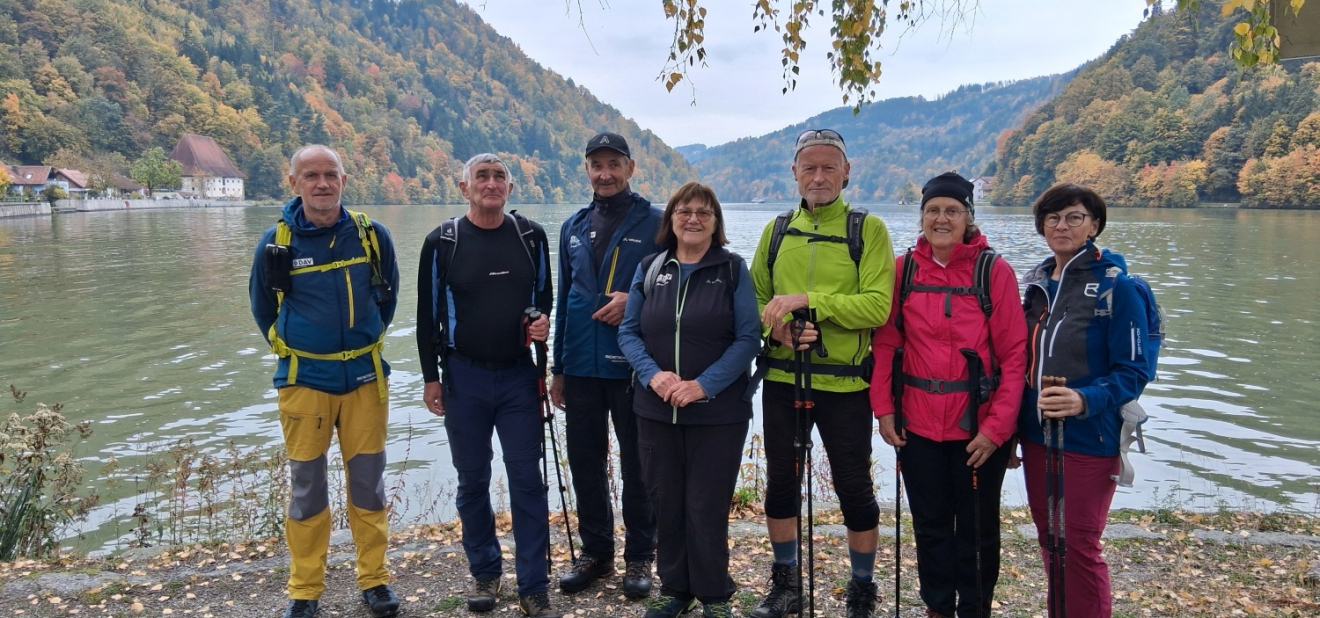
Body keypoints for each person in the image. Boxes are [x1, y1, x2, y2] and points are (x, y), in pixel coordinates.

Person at [249, 145, 401, 618]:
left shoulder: (371, 236)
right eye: (310, 175)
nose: (321, 183)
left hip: (364, 379)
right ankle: (305, 589)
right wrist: (300, 349)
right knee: (307, 489)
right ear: (292, 182)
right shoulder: (276, 243)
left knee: (369, 487)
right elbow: (263, 310)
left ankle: (374, 581)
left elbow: (387, 299)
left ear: (343, 179)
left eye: (330, 174)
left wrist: (361, 342)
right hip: (304, 381)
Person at [748, 129, 894, 618]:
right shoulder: (775, 231)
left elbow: (877, 306)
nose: (818, 176)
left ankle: (862, 586)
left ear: (846, 172)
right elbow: (753, 302)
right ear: (793, 173)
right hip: (784, 379)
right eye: (808, 167)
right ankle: (786, 582)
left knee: (854, 485)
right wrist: (780, 332)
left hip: (846, 384)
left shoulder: (866, 229)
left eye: (829, 167)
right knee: (781, 485)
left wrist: (810, 302)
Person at [869, 172, 1027, 618]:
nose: (942, 218)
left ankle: (974, 609)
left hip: (977, 427)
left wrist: (997, 430)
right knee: (931, 525)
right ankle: (938, 607)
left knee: (977, 529)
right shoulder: (903, 271)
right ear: (921, 217)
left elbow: (1015, 358)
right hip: (916, 424)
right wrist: (883, 410)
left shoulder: (992, 270)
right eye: (933, 210)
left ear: (968, 217)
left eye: (952, 211)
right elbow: (885, 345)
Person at [415, 154, 560, 618]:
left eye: (499, 177)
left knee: (527, 480)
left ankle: (533, 584)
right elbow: (426, 316)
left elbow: (544, 298)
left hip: (520, 375)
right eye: (482, 176)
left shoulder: (530, 236)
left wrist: (541, 324)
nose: (491, 183)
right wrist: (431, 378)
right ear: (464, 187)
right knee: (472, 479)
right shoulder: (443, 241)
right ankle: (485, 572)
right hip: (464, 377)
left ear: (511, 189)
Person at [617, 182, 761, 618]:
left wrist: (703, 385)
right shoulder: (650, 266)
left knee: (707, 504)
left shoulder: (733, 269)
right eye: (684, 211)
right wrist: (653, 375)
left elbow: (748, 339)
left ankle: (715, 595)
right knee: (667, 502)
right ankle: (676, 589)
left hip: (718, 414)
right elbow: (628, 332)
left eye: (703, 212)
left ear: (716, 222)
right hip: (655, 411)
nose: (693, 218)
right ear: (671, 219)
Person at [1017, 183, 1155, 618]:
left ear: (1094, 225)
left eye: (1074, 217)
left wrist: (1084, 399)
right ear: (1042, 226)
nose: (1062, 225)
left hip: (1090, 437)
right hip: (1037, 437)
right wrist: (1009, 431)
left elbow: (1134, 371)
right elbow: (1020, 364)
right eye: (1053, 217)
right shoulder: (1036, 287)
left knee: (1078, 542)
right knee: (1049, 538)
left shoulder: (1119, 287)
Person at [551, 132, 661, 597]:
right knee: (584, 461)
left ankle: (640, 557)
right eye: (597, 164)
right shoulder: (573, 225)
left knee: (638, 463)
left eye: (614, 164)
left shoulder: (657, 222)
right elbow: (562, 297)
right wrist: (557, 366)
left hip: (632, 365)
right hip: (579, 364)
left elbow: (676, 289)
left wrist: (633, 299)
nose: (605, 173)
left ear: (631, 168)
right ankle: (596, 551)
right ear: (588, 170)